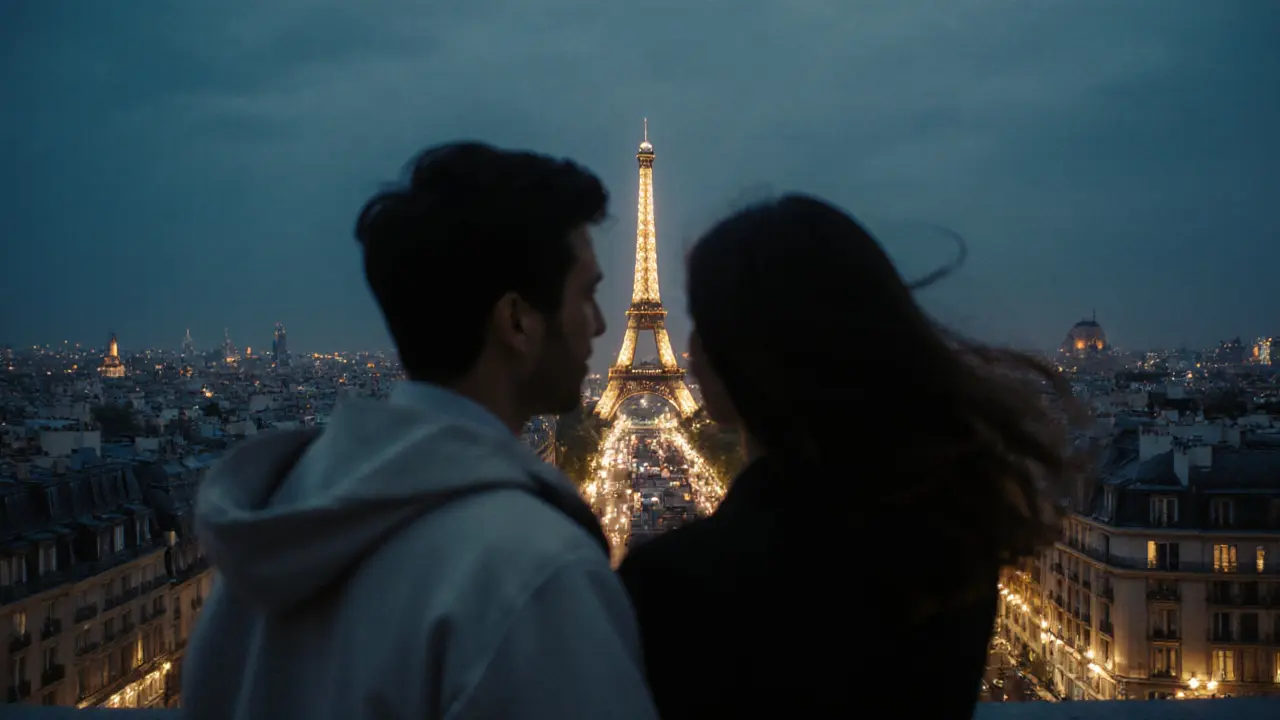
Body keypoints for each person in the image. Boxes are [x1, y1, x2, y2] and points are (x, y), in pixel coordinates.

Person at [183, 143, 659, 719]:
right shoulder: (537, 571)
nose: (601, 324)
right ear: (516, 320)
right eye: (586, 295)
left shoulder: (255, 558)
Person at [617, 195, 1079, 719]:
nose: (692, 348)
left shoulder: (671, 584)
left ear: (736, 359)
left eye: (703, 325)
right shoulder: (953, 552)